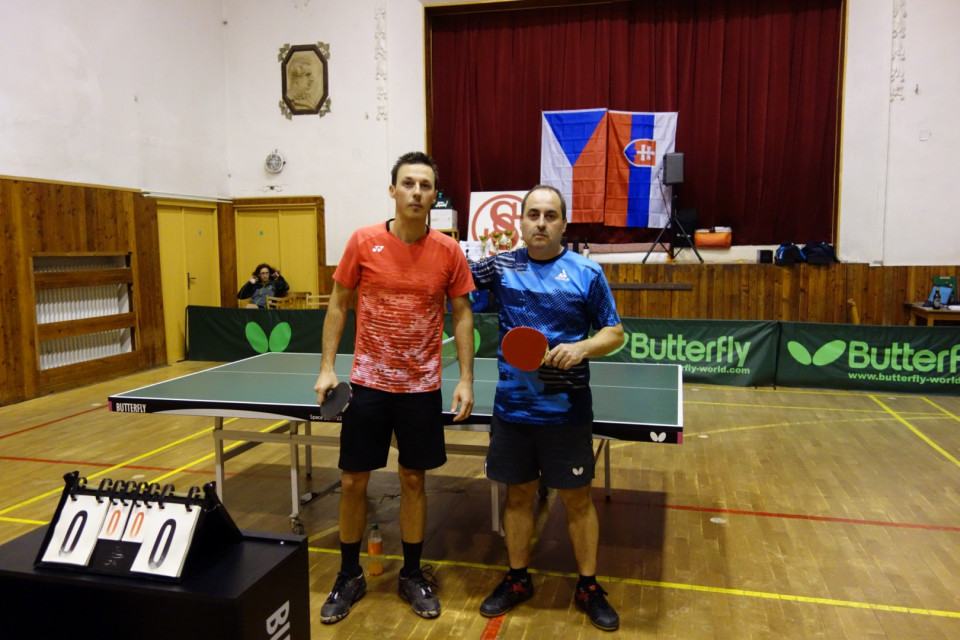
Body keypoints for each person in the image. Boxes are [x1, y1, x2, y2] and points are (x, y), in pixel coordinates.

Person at [313, 151, 476, 624]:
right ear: (393, 190)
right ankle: (349, 575)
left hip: (421, 388)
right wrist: (327, 368)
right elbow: (338, 303)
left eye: (425, 185)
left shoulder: (448, 250)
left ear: (434, 196)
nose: (416, 192)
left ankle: (411, 573)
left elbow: (463, 314)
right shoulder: (363, 241)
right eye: (408, 183)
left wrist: (465, 379)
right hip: (367, 385)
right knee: (352, 481)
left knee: (413, 480)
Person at [470, 185, 625, 631]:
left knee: (577, 500)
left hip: (566, 412)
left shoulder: (586, 272)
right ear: (520, 221)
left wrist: (582, 348)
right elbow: (448, 273)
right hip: (513, 411)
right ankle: (518, 579)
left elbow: (614, 332)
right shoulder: (500, 266)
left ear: (563, 224)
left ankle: (588, 586)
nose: (541, 222)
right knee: (519, 496)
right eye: (533, 214)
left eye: (550, 215)